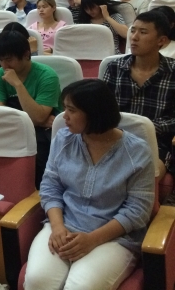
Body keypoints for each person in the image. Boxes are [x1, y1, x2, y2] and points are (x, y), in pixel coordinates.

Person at [24, 79, 154, 290]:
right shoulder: (63, 139)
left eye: (71, 110)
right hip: (64, 224)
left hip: (113, 237)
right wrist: (57, 227)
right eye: (65, 108)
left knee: (80, 286)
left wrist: (92, 240)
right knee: (37, 280)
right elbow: (50, 187)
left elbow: (138, 210)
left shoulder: (136, 152)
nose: (64, 116)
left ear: (94, 113)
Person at [102, 11, 175, 170]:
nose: (134, 37)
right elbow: (102, 108)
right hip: (113, 137)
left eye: (143, 32)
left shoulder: (172, 71)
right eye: (133, 30)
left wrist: (143, 127)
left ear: (161, 41)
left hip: (156, 142)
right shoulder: (115, 68)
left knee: (144, 172)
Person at [0, 31, 61, 187]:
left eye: (9, 59)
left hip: (43, 137)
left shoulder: (47, 76)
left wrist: (17, 84)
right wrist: (34, 119)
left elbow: (38, 117)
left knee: (37, 164)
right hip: (12, 131)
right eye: (1, 60)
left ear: (26, 55)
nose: (4, 65)